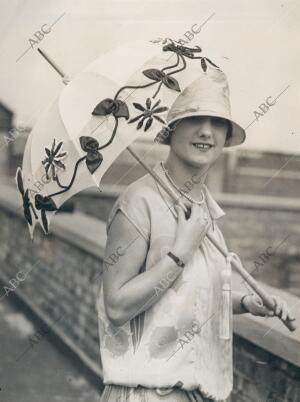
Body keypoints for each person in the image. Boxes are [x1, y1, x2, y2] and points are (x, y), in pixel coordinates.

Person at [97, 69, 293, 402]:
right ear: (170, 130)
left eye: (218, 122)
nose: (206, 131)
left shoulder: (204, 210)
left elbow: (188, 299)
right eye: (195, 119)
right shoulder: (139, 201)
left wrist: (246, 303)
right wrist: (179, 252)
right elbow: (115, 307)